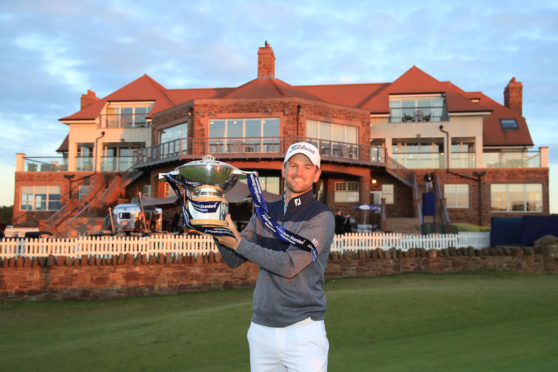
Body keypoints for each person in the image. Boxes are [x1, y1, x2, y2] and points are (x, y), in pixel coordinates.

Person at [214, 142, 335, 372]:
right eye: (293, 165)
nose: (299, 172)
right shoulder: (265, 211)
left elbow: (289, 266)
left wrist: (238, 242)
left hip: (303, 331)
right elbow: (233, 259)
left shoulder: (321, 217)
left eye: (307, 167)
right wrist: (215, 224)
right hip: (262, 331)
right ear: (283, 169)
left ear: (317, 174)